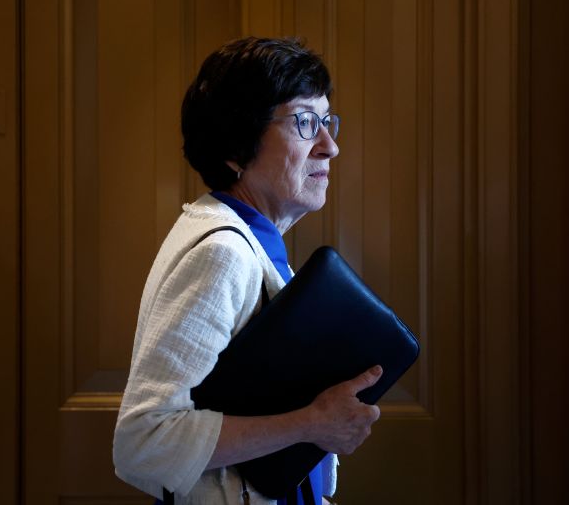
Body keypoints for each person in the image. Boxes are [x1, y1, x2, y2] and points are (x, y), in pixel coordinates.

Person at [112, 37, 382, 504]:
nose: (330, 146)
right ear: (237, 145)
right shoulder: (223, 253)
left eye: (326, 121)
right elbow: (143, 442)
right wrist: (313, 424)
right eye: (304, 123)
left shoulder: (243, 234)